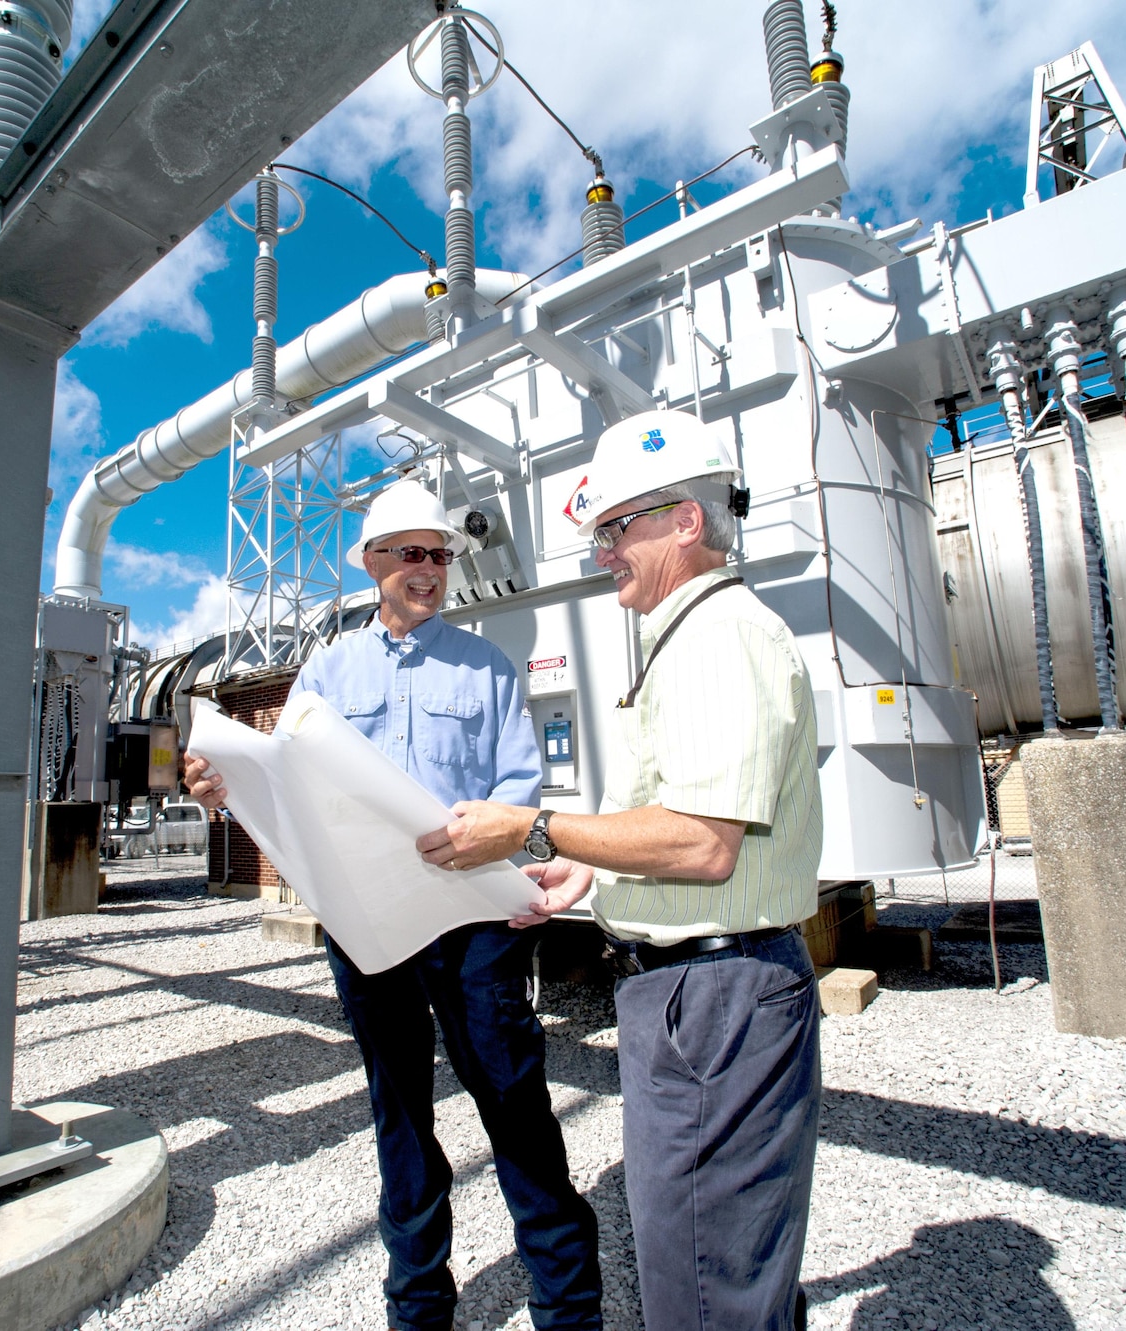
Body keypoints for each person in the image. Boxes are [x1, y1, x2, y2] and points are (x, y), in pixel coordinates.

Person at [416, 409, 824, 1331]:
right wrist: (591, 877)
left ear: (686, 520)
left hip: (712, 1000)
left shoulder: (720, 636)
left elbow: (701, 842)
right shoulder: (694, 636)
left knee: (703, 1282)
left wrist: (539, 827)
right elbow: (690, 831)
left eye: (615, 528)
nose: (603, 552)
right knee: (717, 1265)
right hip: (700, 991)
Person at [185, 479, 603, 1331]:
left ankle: (567, 1312)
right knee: (401, 1119)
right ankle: (419, 1312)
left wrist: (536, 874)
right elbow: (290, 789)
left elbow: (520, 792)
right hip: (370, 927)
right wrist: (219, 792)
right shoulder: (329, 672)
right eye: (411, 553)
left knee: (516, 1110)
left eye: (440, 554)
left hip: (475, 928)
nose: (429, 569)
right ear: (373, 564)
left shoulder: (485, 667)